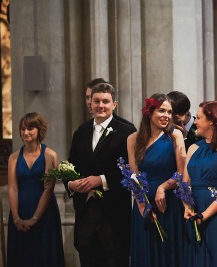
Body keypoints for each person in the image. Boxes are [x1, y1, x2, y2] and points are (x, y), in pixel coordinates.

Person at [67, 83, 136, 267]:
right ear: (90, 104)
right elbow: (70, 166)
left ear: (114, 104)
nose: (100, 105)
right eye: (96, 101)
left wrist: (102, 180)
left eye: (105, 101)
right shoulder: (80, 132)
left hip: (113, 212)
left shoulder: (127, 132)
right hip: (85, 211)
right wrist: (71, 184)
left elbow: (130, 170)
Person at [127, 93, 186, 267]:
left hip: (168, 202)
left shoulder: (175, 136)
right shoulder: (133, 139)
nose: (166, 116)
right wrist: (142, 206)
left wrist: (163, 187)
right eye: (161, 111)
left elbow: (181, 173)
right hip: (143, 203)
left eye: (169, 112)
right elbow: (134, 176)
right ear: (149, 112)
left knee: (168, 252)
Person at [182, 101, 217, 267]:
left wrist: (204, 215)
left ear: (212, 121)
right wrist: (187, 207)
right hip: (193, 211)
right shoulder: (193, 148)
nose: (195, 122)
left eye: (198, 118)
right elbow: (185, 183)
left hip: (216, 215)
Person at [7, 112, 64, 267]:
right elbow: (12, 188)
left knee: (44, 256)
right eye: (23, 129)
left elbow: (48, 189)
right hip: (20, 211)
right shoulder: (13, 157)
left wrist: (35, 218)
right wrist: (16, 218)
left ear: (39, 130)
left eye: (30, 128)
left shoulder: (50, 155)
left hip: (45, 214)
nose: (25, 132)